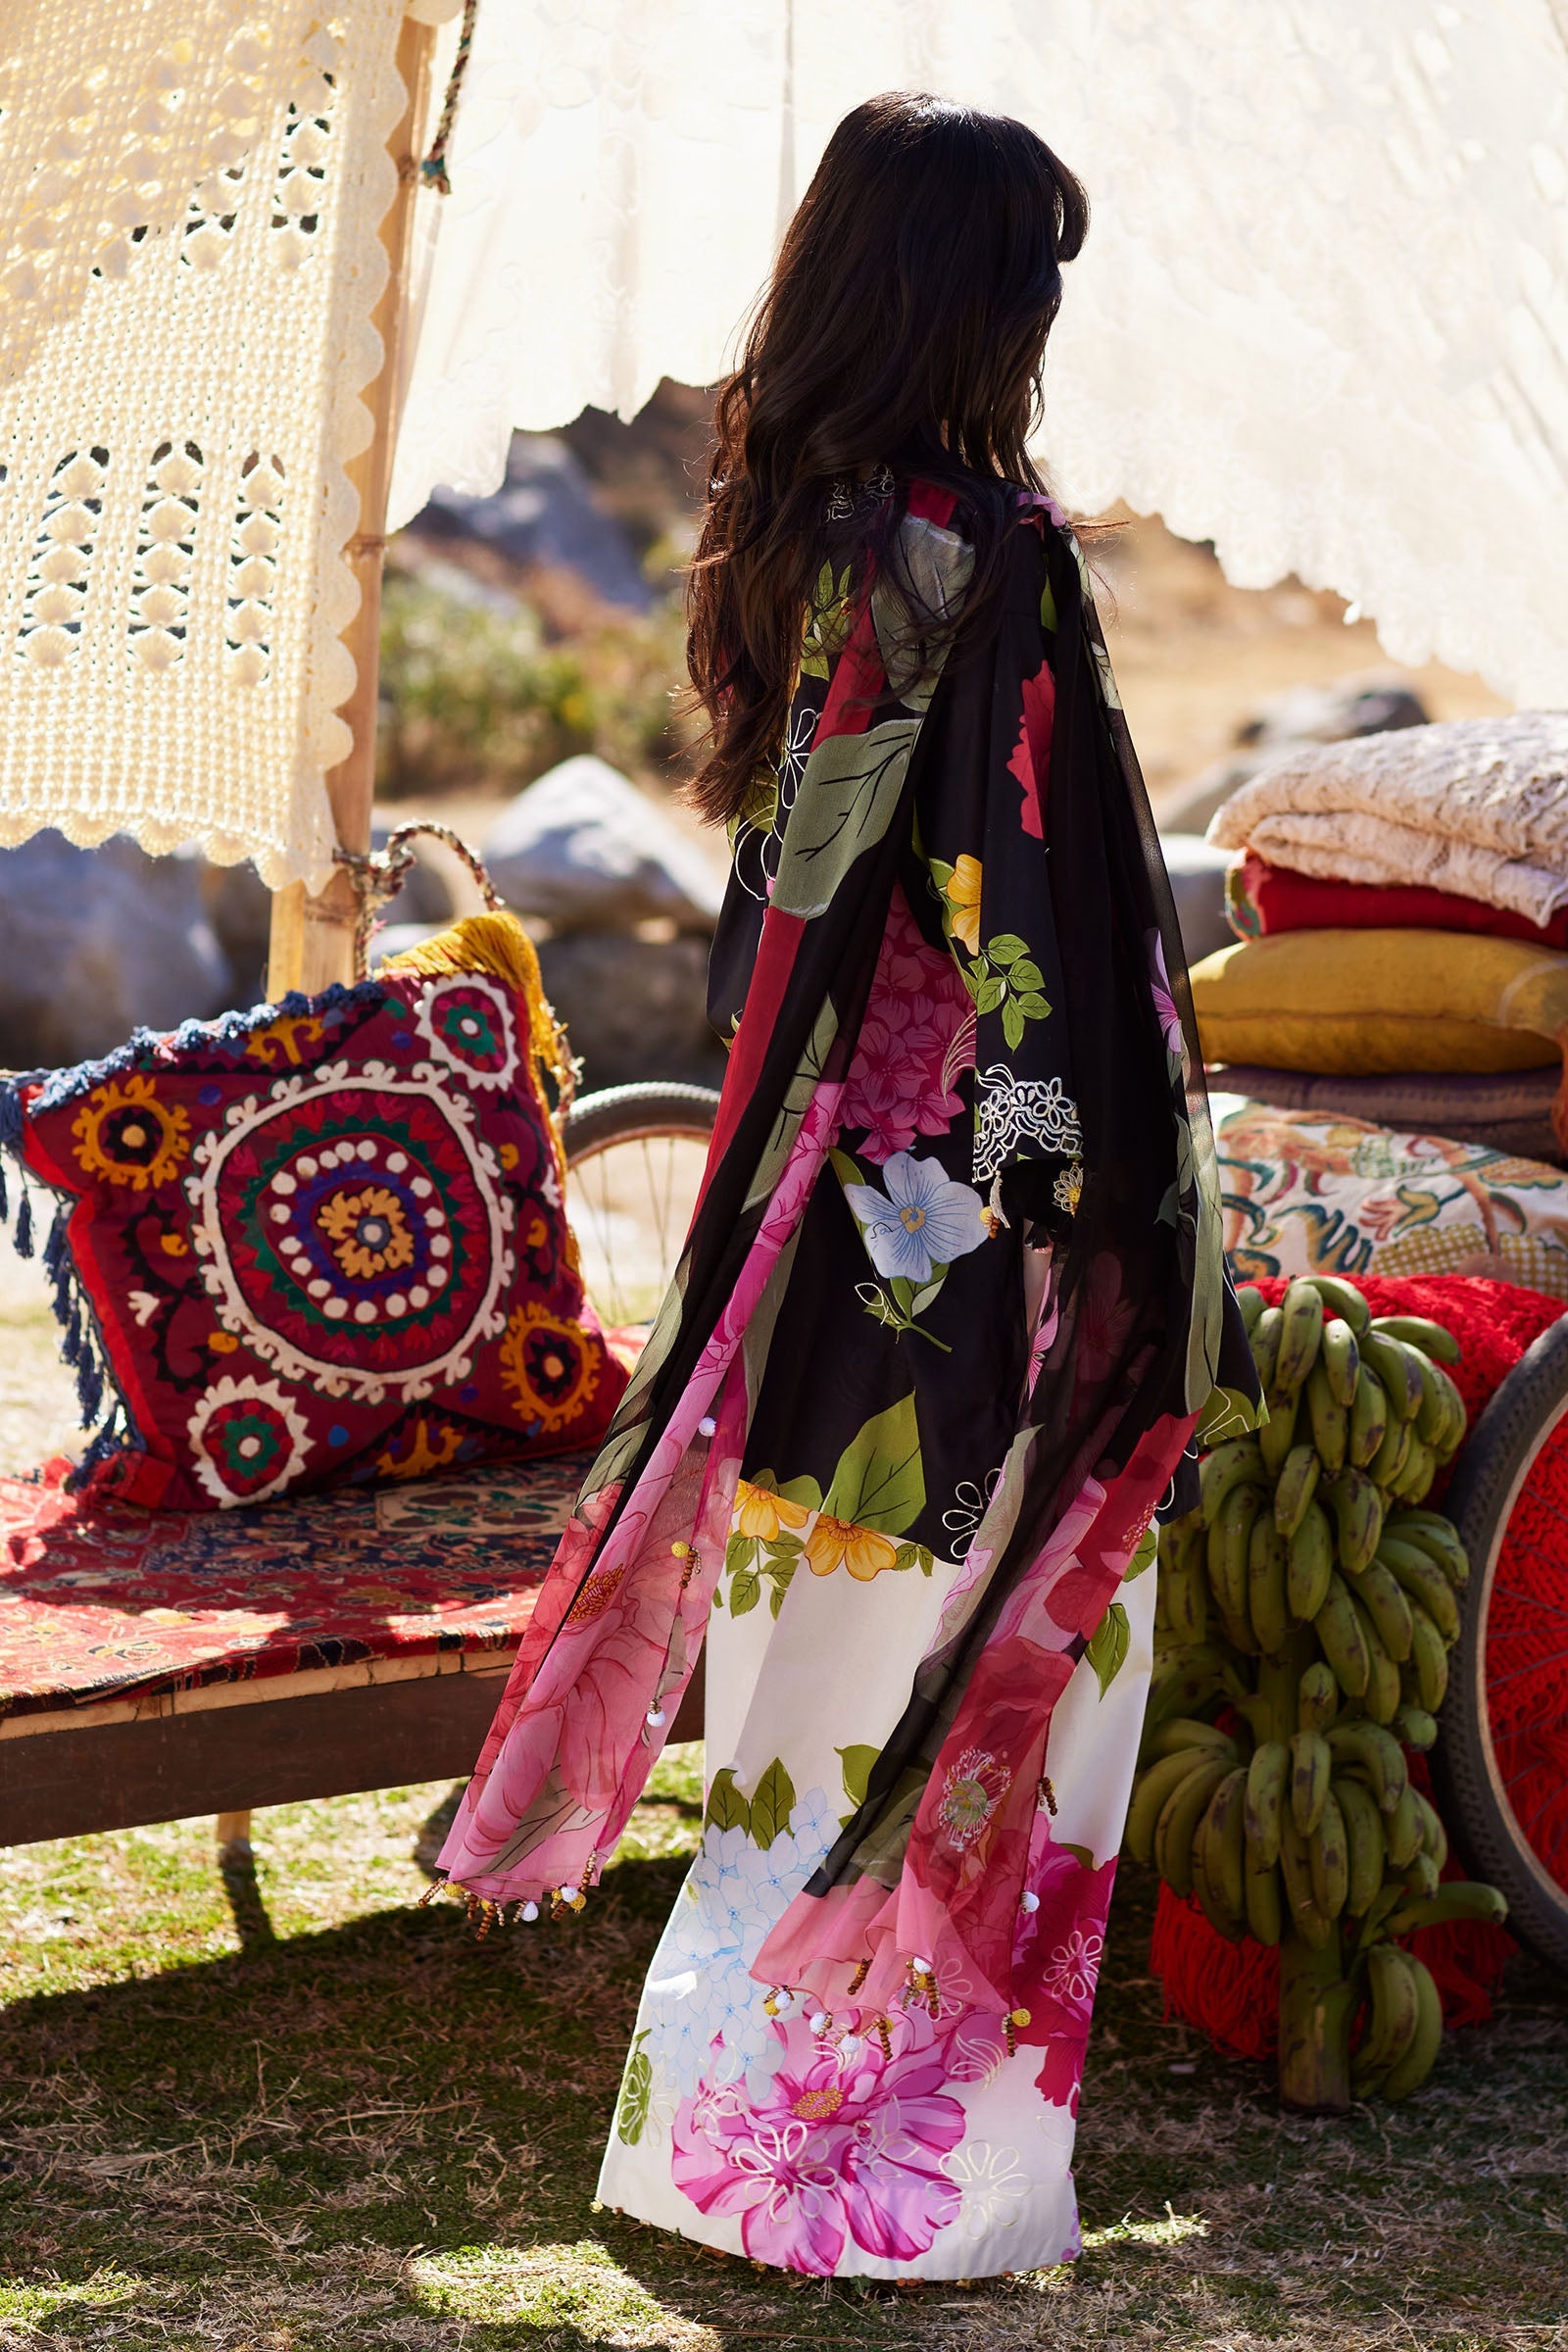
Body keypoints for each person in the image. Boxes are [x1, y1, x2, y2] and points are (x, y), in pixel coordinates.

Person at [436, 91, 1257, 2280]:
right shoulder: (990, 554)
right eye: (1031, 274)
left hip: (822, 1214)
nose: (1047, 315)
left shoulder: (792, 528)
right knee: (1009, 1692)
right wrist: (1092, 1203)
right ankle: (895, 2202)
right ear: (968, 297)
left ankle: (708, 2155)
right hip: (979, 1221)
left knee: (799, 1711)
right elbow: (1029, 900)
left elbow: (808, 908)